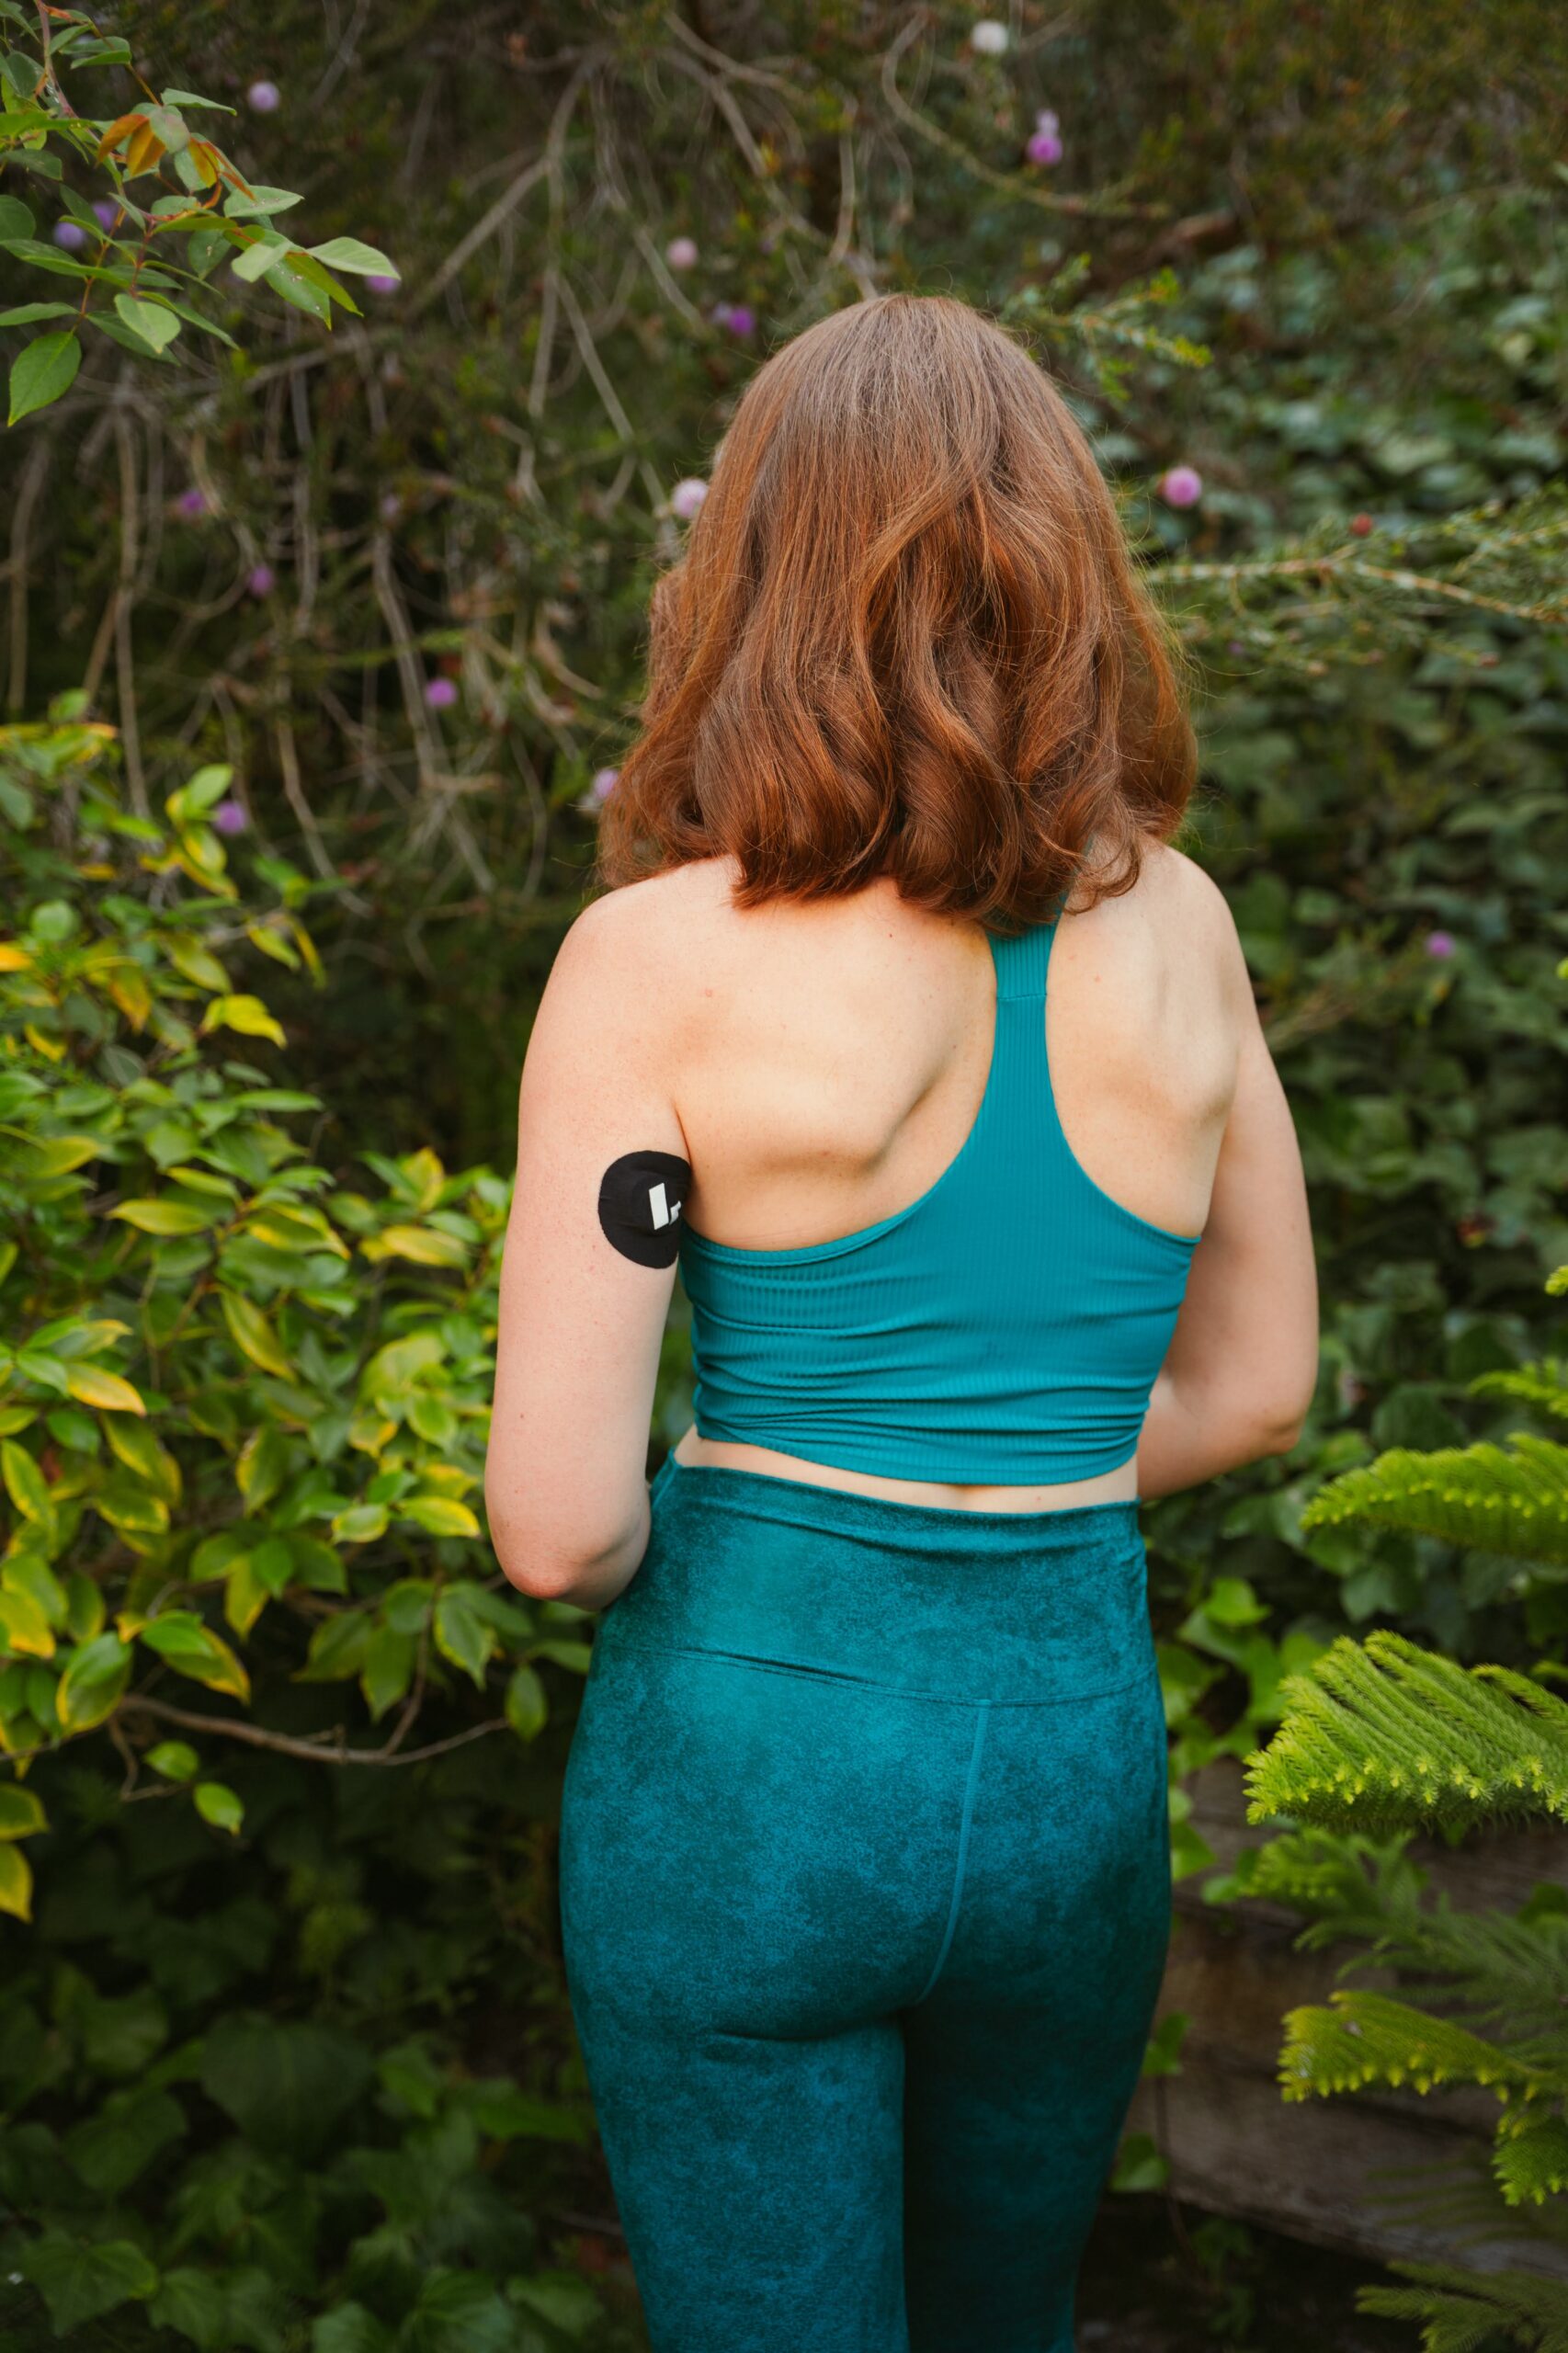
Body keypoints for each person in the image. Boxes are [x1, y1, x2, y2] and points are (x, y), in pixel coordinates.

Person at [484, 293, 1319, 2353]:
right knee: (1003, 2317)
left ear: (751, 580)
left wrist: (813, 1576)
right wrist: (1000, 1508)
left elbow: (560, 1530)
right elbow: (1258, 1381)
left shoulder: (652, 964)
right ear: (1064, 576)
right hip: (1068, 1755)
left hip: (754, 1756)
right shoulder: (1186, 929)